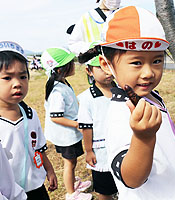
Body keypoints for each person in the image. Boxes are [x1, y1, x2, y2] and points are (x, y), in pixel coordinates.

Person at [78, 6, 175, 199]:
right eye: (136, 62)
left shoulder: (152, 96)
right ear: (106, 65)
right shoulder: (121, 115)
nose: (148, 73)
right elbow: (131, 179)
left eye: (157, 61)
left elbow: (164, 138)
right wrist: (143, 139)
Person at [0, 41, 57, 199]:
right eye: (7, 77)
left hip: (36, 188)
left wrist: (49, 170)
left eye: (23, 76)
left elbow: (38, 147)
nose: (17, 83)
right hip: (8, 194)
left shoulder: (30, 114)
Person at [41, 47, 92, 200]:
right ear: (60, 69)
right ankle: (71, 193)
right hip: (65, 135)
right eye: (71, 63)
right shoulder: (57, 91)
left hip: (68, 134)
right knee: (69, 163)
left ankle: (72, 183)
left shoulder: (62, 83)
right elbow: (55, 117)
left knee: (72, 161)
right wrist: (78, 124)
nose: (74, 64)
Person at [77, 44, 118, 200]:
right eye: (100, 67)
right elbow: (86, 127)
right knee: (105, 190)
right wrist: (89, 151)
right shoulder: (87, 98)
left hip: (123, 146)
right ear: (89, 70)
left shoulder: (122, 90)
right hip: (101, 152)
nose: (107, 71)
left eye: (109, 65)